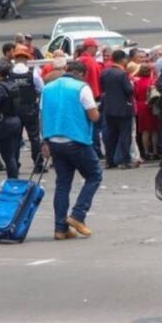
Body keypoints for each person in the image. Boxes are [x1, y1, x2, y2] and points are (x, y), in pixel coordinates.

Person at [41, 60, 103, 240]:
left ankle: (60, 228)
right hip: (76, 139)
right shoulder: (81, 87)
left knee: (63, 184)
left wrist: (44, 141)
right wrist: (98, 111)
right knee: (94, 175)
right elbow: (93, 115)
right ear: (82, 74)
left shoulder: (48, 88)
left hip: (54, 139)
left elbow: (42, 115)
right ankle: (78, 215)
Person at [0, 60, 24, 179]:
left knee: (8, 156)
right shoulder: (13, 84)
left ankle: (12, 181)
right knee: (14, 154)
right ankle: (14, 179)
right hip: (16, 120)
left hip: (4, 123)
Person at [9, 45, 45, 173]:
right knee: (34, 137)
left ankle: (14, 165)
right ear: (26, 58)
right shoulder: (32, 72)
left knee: (15, 138)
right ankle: (38, 165)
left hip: (13, 109)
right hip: (29, 108)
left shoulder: (10, 73)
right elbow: (41, 88)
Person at [101, 49, 135, 169]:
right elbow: (129, 90)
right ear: (123, 60)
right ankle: (125, 160)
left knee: (111, 136)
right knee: (125, 136)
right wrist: (131, 85)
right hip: (123, 108)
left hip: (109, 108)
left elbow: (103, 88)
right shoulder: (122, 74)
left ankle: (110, 160)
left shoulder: (105, 72)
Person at [78, 38, 104, 155]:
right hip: (93, 95)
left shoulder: (80, 60)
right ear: (90, 47)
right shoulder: (90, 61)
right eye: (95, 47)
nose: (97, 49)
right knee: (94, 124)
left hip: (82, 94)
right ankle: (95, 150)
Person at [133, 62, 161, 162]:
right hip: (152, 106)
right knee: (154, 130)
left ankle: (145, 152)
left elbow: (135, 95)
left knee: (145, 131)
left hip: (141, 106)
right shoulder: (153, 82)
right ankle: (155, 151)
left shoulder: (137, 82)